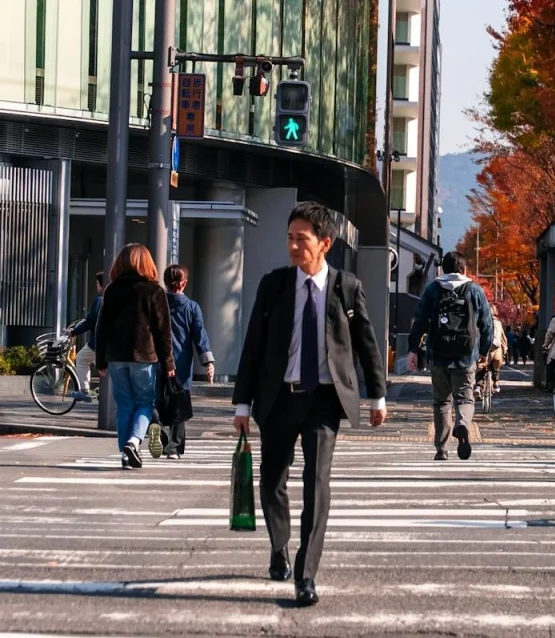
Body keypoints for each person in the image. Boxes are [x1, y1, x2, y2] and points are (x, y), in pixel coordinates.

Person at [231, 202, 388, 607]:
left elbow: (367, 344)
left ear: (325, 243)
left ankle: (306, 573)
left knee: (317, 485)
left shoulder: (346, 287)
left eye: (302, 239)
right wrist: (242, 405)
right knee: (271, 482)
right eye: (290, 238)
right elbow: (254, 346)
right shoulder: (274, 285)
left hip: (323, 400)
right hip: (278, 398)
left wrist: (377, 395)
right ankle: (279, 546)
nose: (294, 246)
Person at [94, 244, 175, 470]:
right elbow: (163, 331)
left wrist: (100, 360)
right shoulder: (154, 291)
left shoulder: (111, 290)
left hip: (116, 357)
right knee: (144, 403)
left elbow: (102, 329)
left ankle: (125, 455)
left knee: (124, 405)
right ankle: (134, 441)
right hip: (144, 356)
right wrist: (168, 361)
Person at [408, 251, 493, 462]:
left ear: (443, 269)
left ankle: (442, 448)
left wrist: (413, 348)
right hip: (466, 354)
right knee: (465, 397)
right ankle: (463, 424)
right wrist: (483, 350)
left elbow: (419, 320)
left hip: (438, 353)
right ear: (464, 269)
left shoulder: (433, 289)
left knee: (441, 402)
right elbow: (487, 322)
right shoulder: (475, 290)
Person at [162, 265, 215, 460]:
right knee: (179, 405)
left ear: (165, 282)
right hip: (182, 363)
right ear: (184, 283)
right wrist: (207, 362)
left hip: (158, 360)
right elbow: (199, 335)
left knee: (156, 400)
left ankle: (159, 433)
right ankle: (174, 447)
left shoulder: (158, 304)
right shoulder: (192, 307)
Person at [69, 271, 105, 402]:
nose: (96, 286)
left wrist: (74, 332)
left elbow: (91, 321)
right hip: (111, 343)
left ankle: (84, 390)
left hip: (97, 342)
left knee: (82, 359)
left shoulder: (100, 300)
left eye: (97, 283)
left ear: (101, 285)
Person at [477, 305, 508, 394]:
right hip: (496, 350)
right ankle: (496, 382)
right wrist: (505, 349)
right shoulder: (498, 323)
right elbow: (503, 339)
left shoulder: (480, 322)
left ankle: (478, 386)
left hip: (484, 349)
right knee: (496, 364)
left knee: (481, 366)